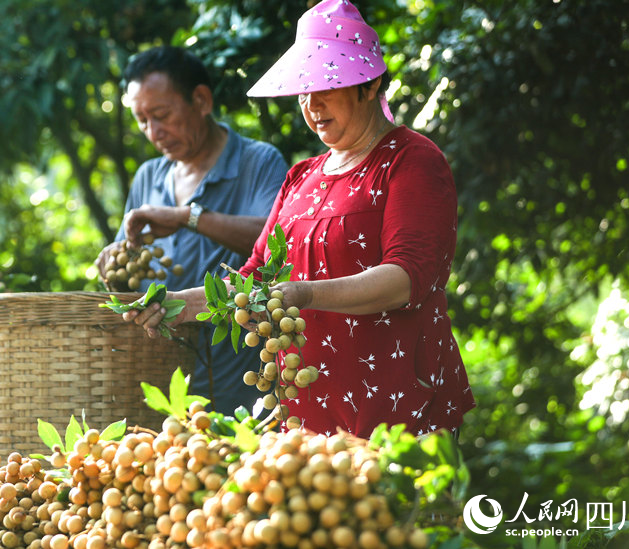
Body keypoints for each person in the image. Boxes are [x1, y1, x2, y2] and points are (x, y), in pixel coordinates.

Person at [124, 0, 475, 438]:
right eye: (304, 92)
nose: (311, 105)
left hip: (396, 408)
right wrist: (177, 304)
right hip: (306, 417)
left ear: (369, 85)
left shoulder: (411, 160)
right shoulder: (301, 177)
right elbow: (254, 279)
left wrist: (303, 293)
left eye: (326, 87)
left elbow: (407, 278)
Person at [95, 46, 288, 416]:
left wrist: (188, 216)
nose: (154, 132)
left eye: (162, 115)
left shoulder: (259, 162)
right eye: (141, 120)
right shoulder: (149, 177)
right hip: (163, 387)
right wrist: (114, 266)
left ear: (201, 100)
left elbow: (277, 245)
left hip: (245, 385)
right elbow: (131, 272)